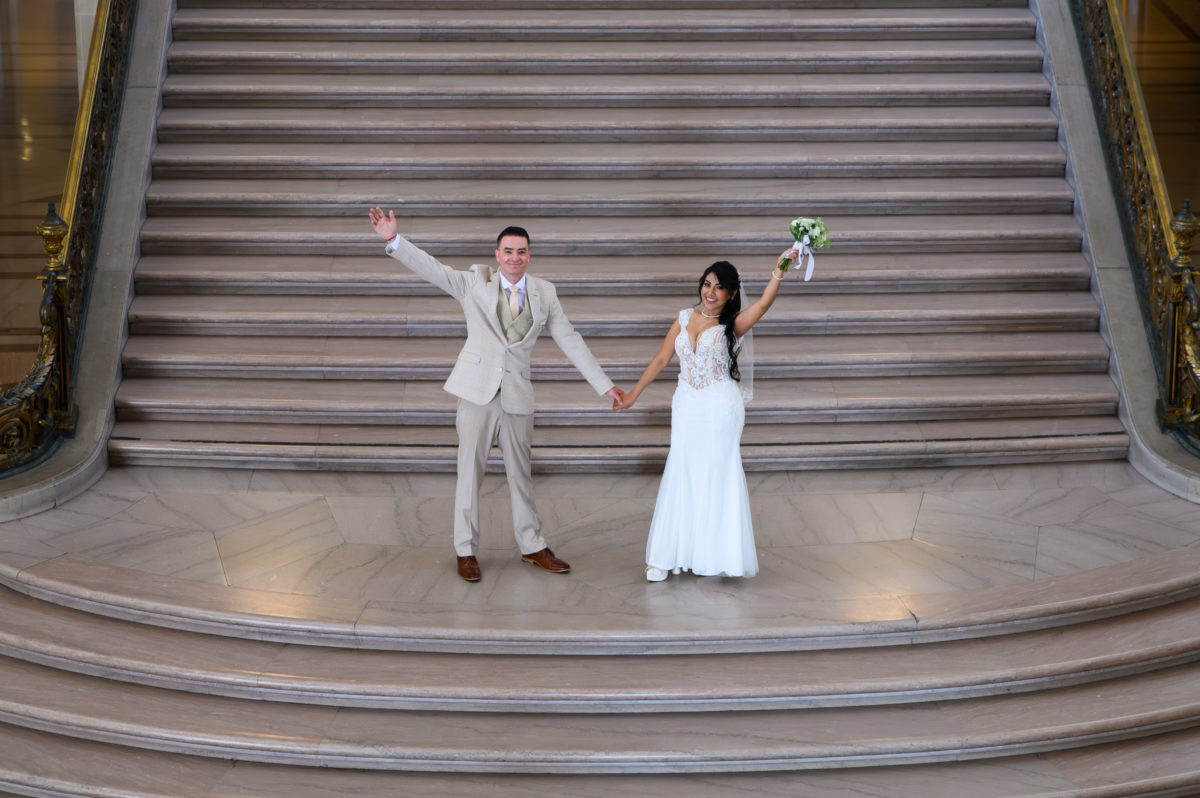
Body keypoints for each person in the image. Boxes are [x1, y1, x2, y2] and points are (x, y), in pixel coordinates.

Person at [369, 207, 623, 582]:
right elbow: (433, 269)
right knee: (469, 473)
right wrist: (394, 240)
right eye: (508, 251)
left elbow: (571, 340)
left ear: (529, 255)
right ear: (497, 254)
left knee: (521, 474)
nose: (515, 258)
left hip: (517, 395)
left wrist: (605, 384)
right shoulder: (473, 284)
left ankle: (532, 545)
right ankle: (465, 550)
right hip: (476, 393)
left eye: (521, 251)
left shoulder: (545, 293)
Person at [617, 252, 797, 581]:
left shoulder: (733, 324)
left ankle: (717, 556)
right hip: (686, 405)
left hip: (720, 408)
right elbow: (660, 359)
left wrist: (779, 269)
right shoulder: (685, 318)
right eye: (707, 284)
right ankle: (668, 555)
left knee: (717, 473)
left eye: (719, 287)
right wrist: (632, 395)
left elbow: (764, 305)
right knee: (682, 470)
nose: (710, 292)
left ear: (731, 294)